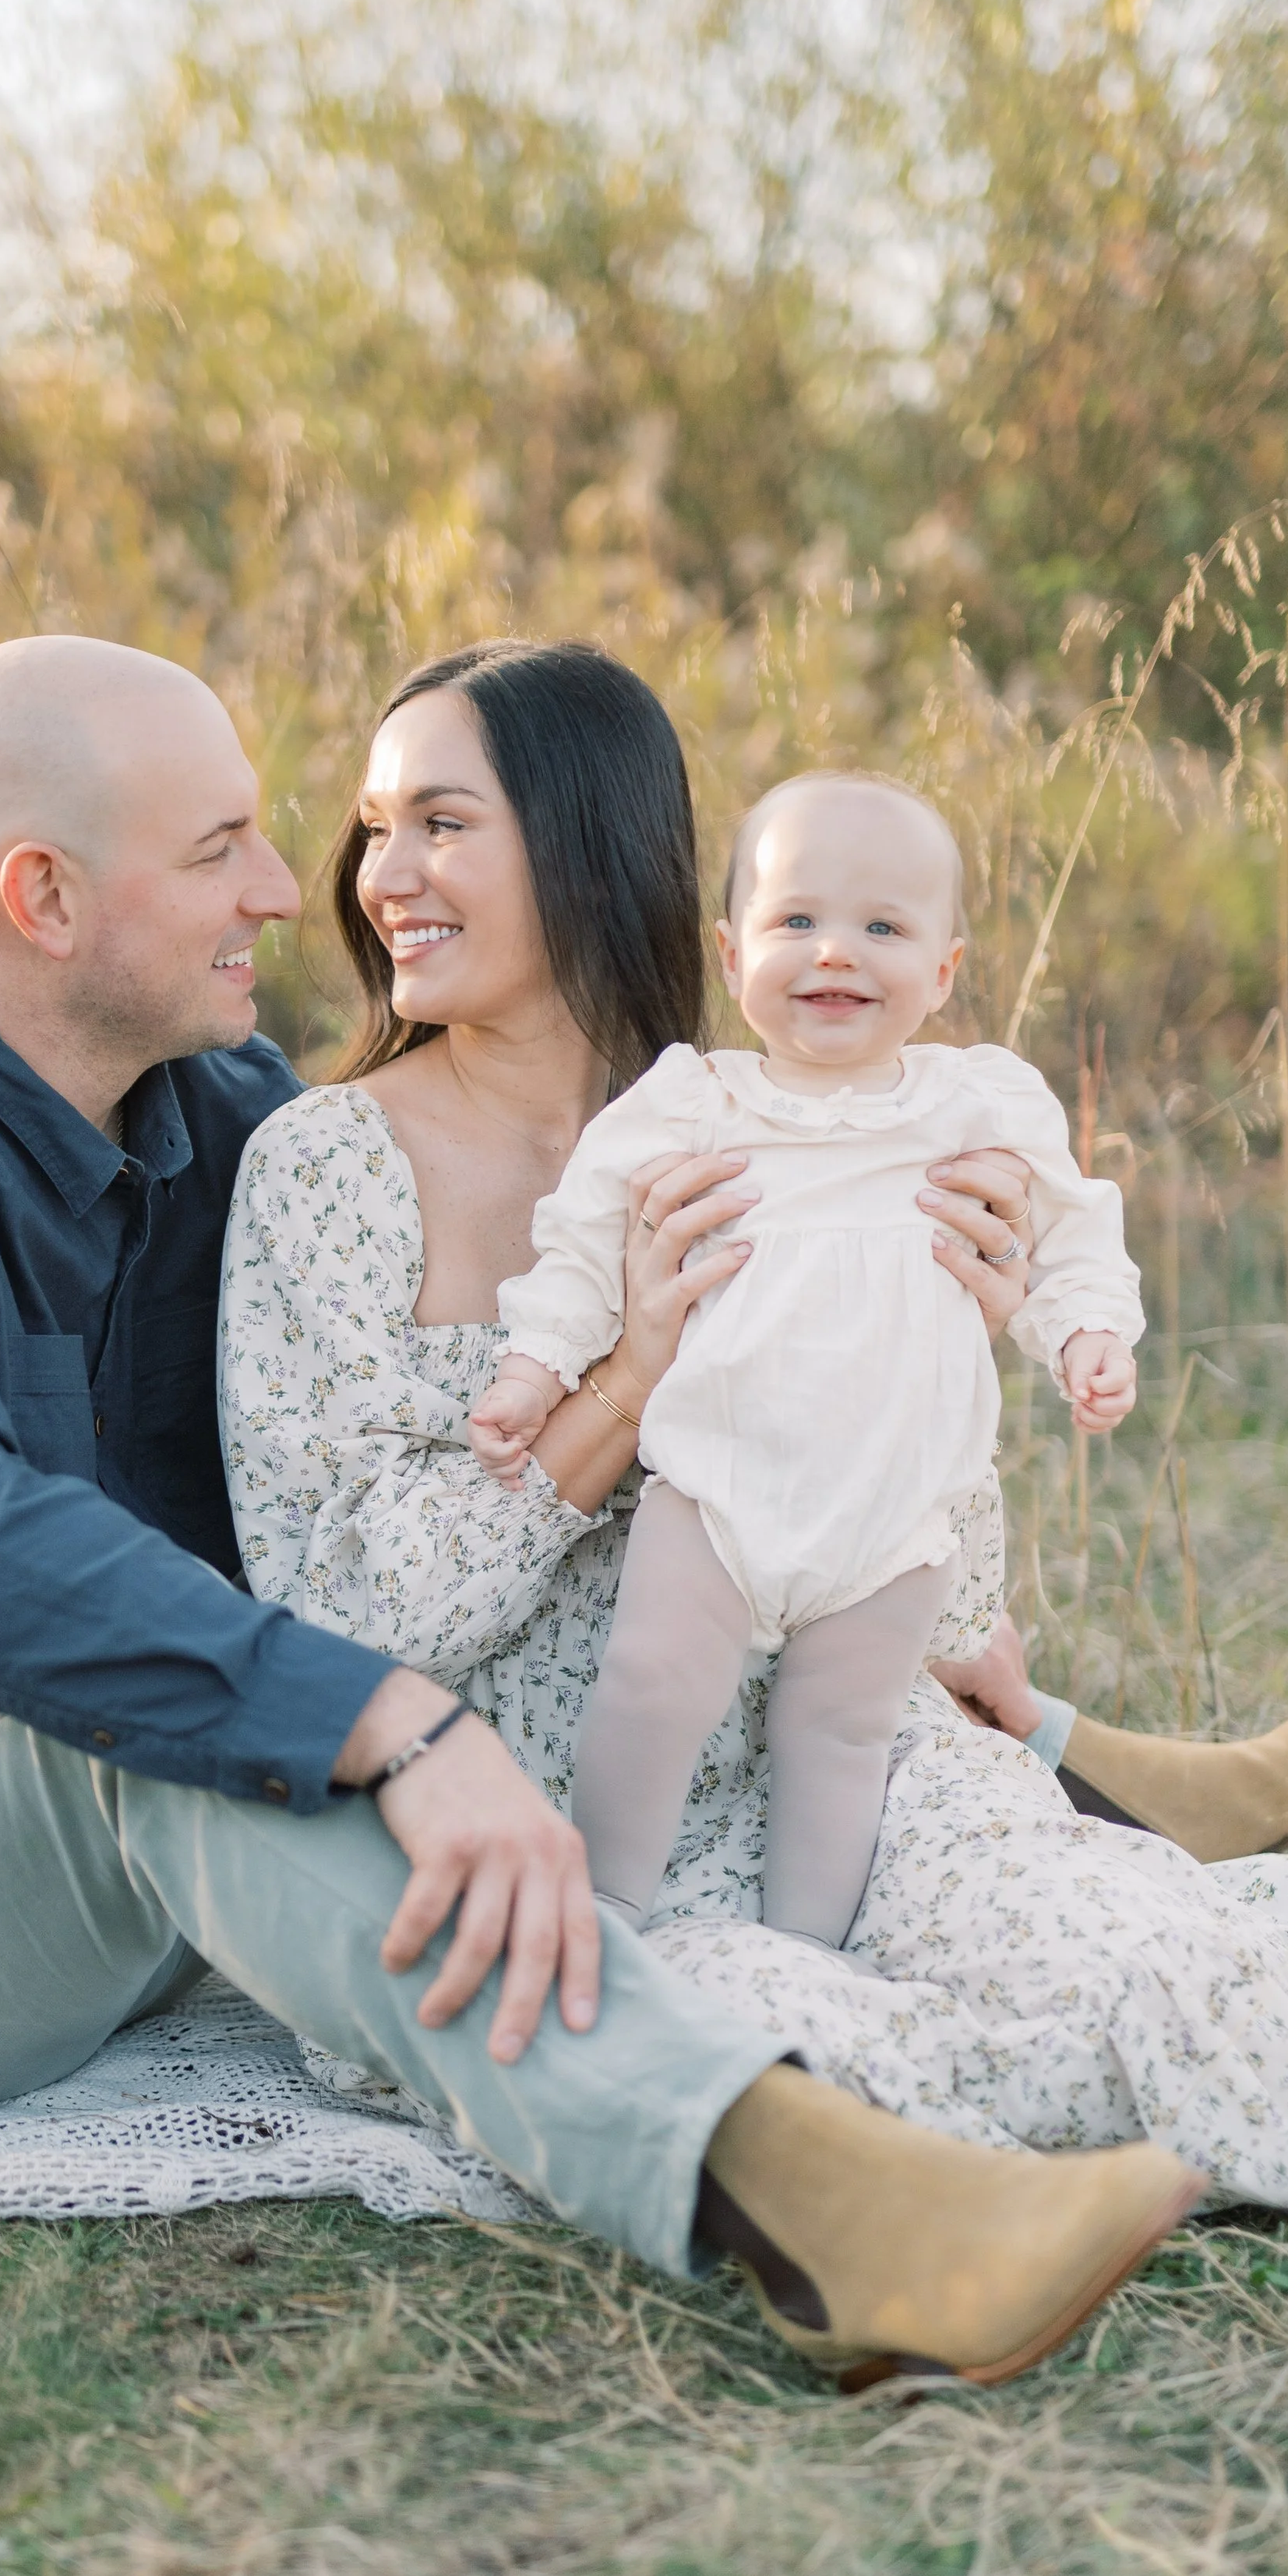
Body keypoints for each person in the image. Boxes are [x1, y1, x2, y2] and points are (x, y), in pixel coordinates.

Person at [0, 630, 1201, 2394]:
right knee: (176, 1710)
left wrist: (894, 1350)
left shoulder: (227, 1118)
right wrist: (389, 1722)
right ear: (44, 895)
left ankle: (1098, 1799)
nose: (292, 892)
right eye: (219, 849)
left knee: (274, 1687)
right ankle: (811, 2197)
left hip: (135, 1905)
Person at [221, 635, 1288, 2235]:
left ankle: (1221, 1977)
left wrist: (955, 1348)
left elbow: (930, 1578)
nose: (385, 876)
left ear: (588, 845)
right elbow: (339, 1622)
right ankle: (982, 2192)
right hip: (548, 1827)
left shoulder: (805, 1109)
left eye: (441, 824)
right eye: (377, 829)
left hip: (838, 1764)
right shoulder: (325, 1165)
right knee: (818, 2064)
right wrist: (625, 1382)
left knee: (1162, 1965)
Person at [468, 771, 1143, 1943]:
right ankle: (607, 1909)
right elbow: (582, 1238)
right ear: (733, 956)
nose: (836, 951)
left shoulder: (975, 1105)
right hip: (719, 1483)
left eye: (883, 927)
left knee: (840, 1733)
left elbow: (1072, 1231)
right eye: (797, 920)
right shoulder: (697, 1102)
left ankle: (805, 1952)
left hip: (892, 1510)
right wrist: (535, 1370)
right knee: (652, 1683)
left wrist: (1087, 1334)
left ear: (944, 971)